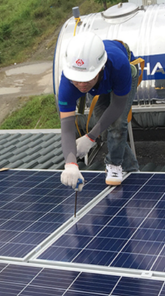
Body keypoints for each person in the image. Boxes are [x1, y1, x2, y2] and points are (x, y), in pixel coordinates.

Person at [57, 31, 140, 188]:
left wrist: (91, 137)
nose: (82, 85)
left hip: (122, 73)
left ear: (100, 69)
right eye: (77, 80)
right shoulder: (68, 83)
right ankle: (132, 169)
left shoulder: (119, 65)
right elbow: (66, 128)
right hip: (103, 80)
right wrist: (71, 164)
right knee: (101, 118)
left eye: (87, 79)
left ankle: (114, 165)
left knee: (117, 122)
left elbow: (117, 106)